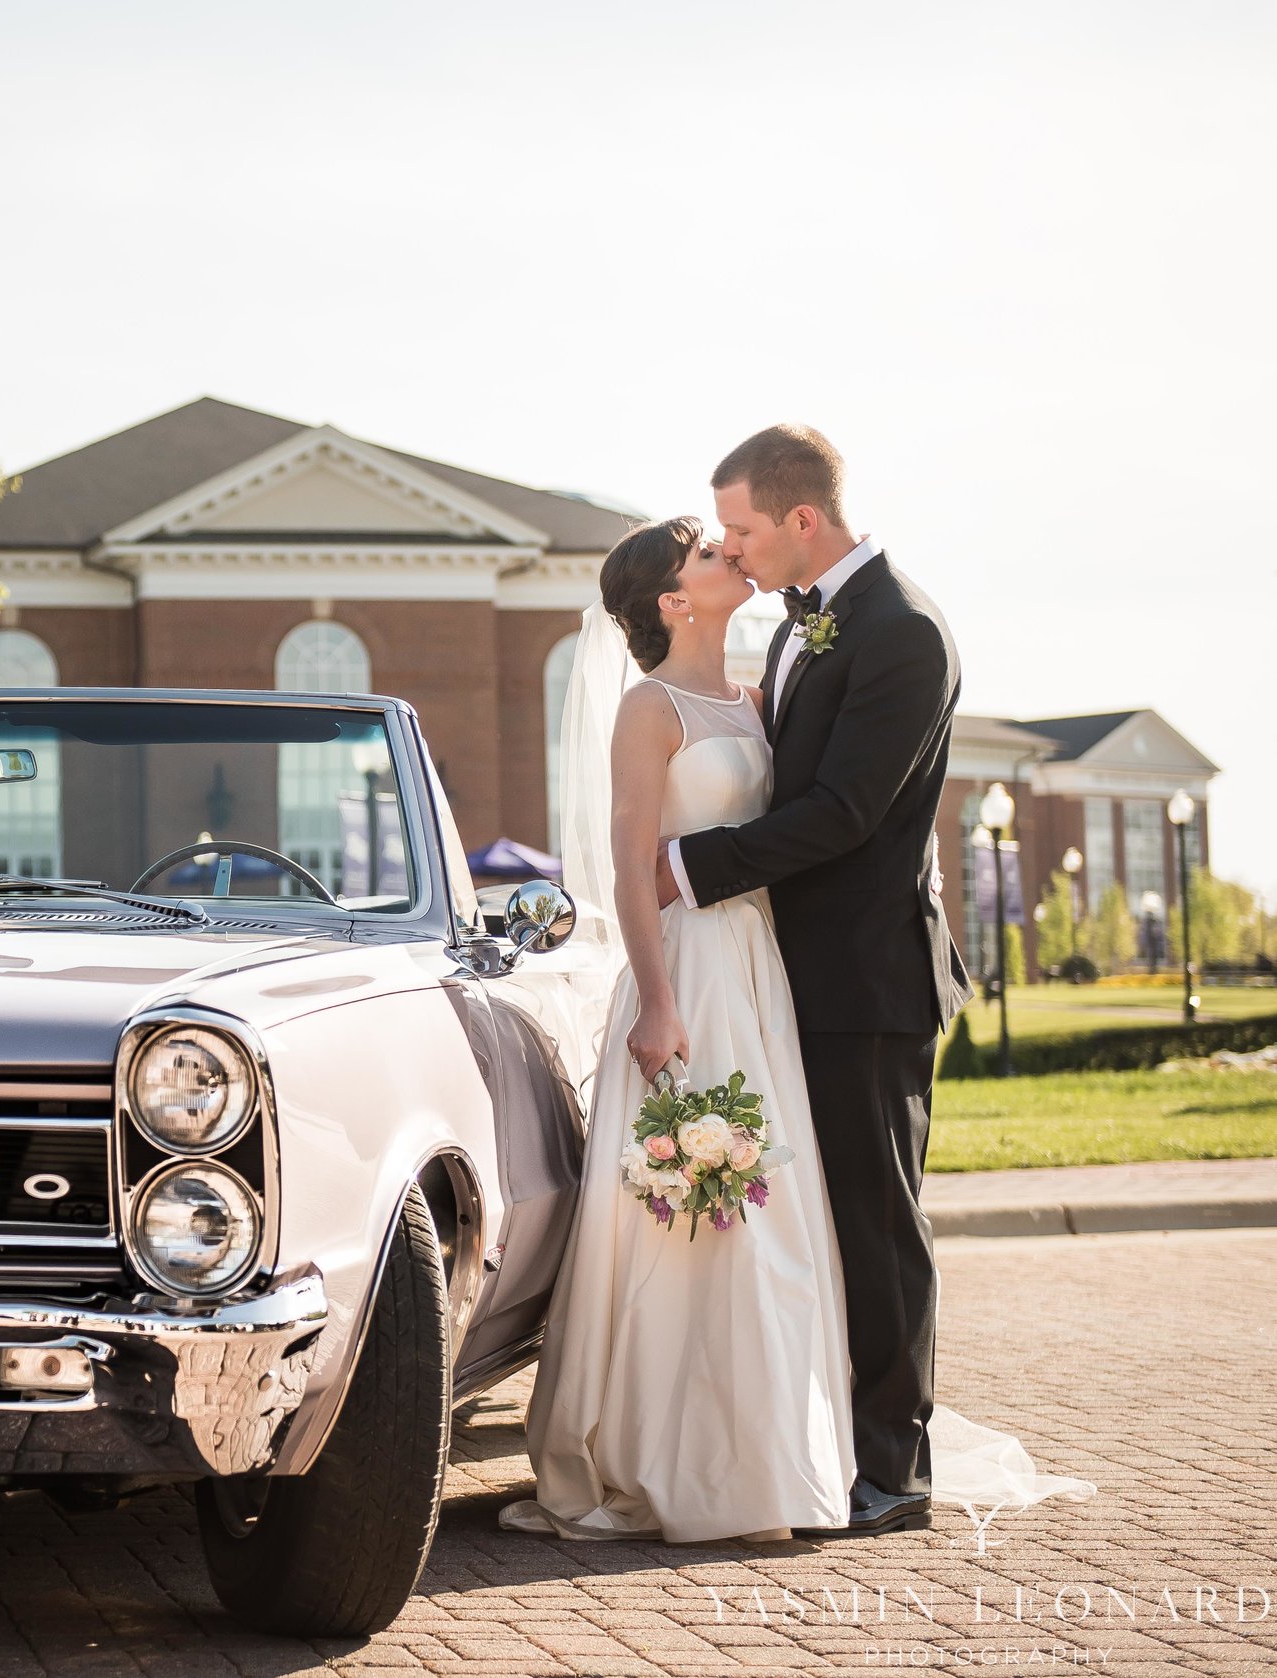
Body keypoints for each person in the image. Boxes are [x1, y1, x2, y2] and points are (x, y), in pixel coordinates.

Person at [508, 427, 1094, 1545]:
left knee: (871, 1226)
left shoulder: (902, 631)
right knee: (785, 1221)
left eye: (737, 530)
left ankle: (889, 1469)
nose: (730, 547)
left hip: (859, 977)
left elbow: (842, 813)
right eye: (713, 540)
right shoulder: (784, 640)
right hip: (760, 977)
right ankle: (750, 1440)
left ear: (800, 523)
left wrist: (687, 870)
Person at [499, 514, 855, 1542]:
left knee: (771, 1209)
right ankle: (673, 1458)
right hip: (686, 976)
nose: (727, 557)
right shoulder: (646, 710)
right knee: (693, 1213)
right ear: (671, 600)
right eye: (705, 553)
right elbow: (626, 866)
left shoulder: (753, 700)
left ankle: (769, 1455)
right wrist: (655, 1002)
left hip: (758, 973)